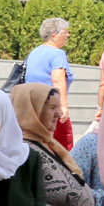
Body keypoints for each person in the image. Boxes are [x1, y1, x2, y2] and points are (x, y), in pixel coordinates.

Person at [24, 18, 76, 149]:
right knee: (63, 147)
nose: (67, 35)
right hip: (51, 107)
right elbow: (58, 81)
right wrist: (62, 106)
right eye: (65, 32)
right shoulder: (57, 53)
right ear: (54, 36)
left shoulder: (34, 52)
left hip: (32, 108)